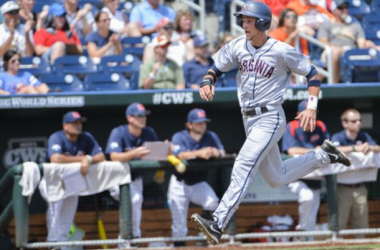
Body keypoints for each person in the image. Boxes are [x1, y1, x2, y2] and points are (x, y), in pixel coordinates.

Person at [189, 1, 351, 245]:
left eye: (249, 20)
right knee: (277, 176)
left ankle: (217, 222)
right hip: (248, 120)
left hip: (270, 117)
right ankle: (325, 156)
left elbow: (312, 73)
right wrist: (206, 81)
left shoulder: (281, 50)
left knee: (243, 164)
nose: (244, 24)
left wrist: (311, 106)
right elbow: (216, 67)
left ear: (263, 22)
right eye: (243, 19)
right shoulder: (237, 45)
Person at [45, 111, 105, 248]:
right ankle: (53, 243)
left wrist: (89, 158)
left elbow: (101, 157)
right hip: (53, 181)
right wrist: (82, 159)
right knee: (56, 207)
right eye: (74, 123)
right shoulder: (57, 137)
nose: (78, 125)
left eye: (79, 122)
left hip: (72, 180)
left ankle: (63, 243)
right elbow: (55, 158)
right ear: (65, 126)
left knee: (68, 212)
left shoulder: (86, 138)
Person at [168, 108, 225, 246]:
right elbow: (179, 154)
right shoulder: (180, 136)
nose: (202, 125)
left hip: (199, 183)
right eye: (198, 123)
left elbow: (222, 152)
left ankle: (202, 234)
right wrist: (199, 153)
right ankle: (179, 247)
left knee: (213, 203)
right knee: (179, 225)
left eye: (204, 122)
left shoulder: (211, 136)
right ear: (190, 125)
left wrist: (214, 152)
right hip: (179, 184)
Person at [106, 102, 158, 240]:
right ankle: (130, 237)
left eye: (144, 116)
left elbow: (157, 154)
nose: (143, 118)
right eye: (139, 116)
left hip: (135, 179)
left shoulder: (149, 132)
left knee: (135, 202)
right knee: (133, 200)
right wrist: (134, 153)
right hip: (116, 178)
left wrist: (166, 149)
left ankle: (128, 239)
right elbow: (114, 156)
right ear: (130, 118)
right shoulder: (119, 132)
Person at [282, 100, 330, 238]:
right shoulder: (291, 126)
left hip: (314, 177)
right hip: (295, 176)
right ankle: (302, 231)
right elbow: (291, 150)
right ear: (298, 114)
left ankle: (306, 241)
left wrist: (320, 150)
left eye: (313, 113)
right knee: (306, 197)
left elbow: (329, 148)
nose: (311, 116)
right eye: (307, 112)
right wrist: (313, 150)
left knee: (313, 212)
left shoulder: (320, 126)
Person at [331, 109, 380, 235]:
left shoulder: (363, 136)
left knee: (361, 226)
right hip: (342, 188)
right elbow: (332, 149)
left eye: (359, 120)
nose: (358, 123)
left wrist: (371, 147)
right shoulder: (339, 136)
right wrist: (354, 149)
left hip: (360, 187)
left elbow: (377, 148)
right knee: (339, 226)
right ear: (345, 123)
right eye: (354, 121)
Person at [317, 0, 380, 83]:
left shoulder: (355, 25)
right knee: (336, 52)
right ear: (334, 10)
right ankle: (333, 86)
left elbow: (361, 45)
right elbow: (322, 41)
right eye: (341, 8)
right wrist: (335, 48)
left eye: (346, 7)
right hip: (331, 49)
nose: (344, 10)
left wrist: (371, 45)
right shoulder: (327, 25)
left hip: (351, 50)